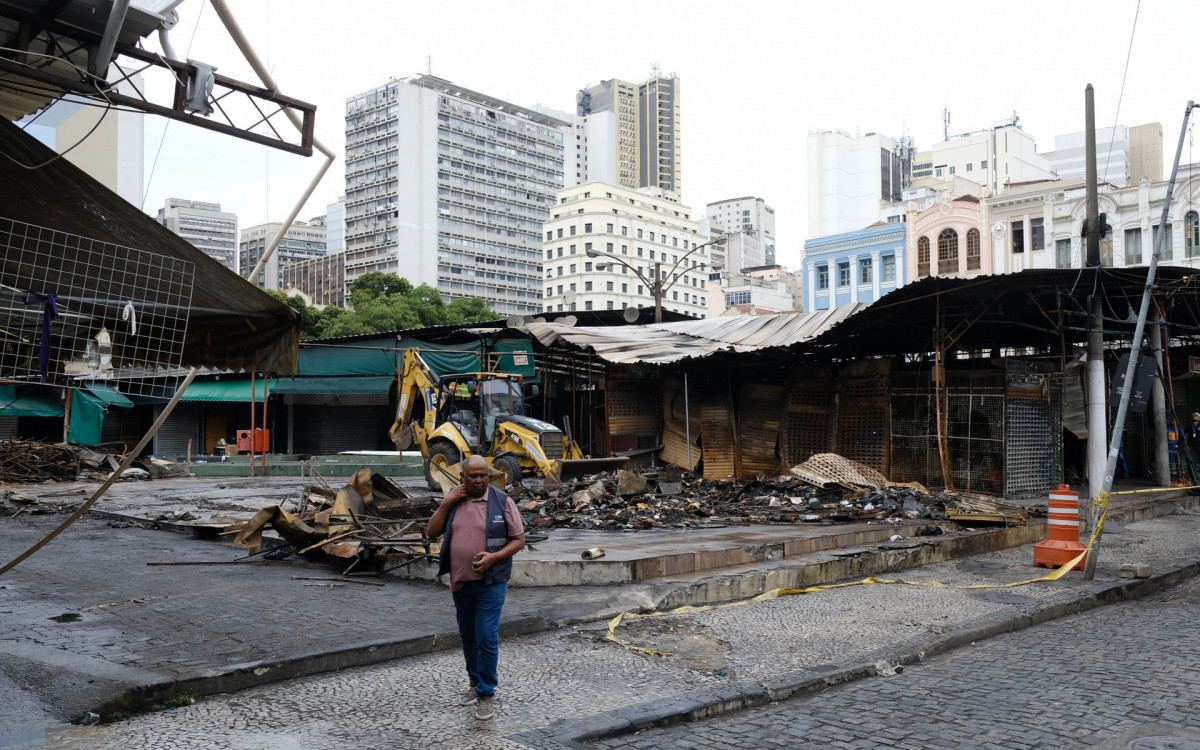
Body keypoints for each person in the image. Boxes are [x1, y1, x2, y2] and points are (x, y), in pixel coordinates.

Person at [425, 455, 525, 721]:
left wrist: (494, 557)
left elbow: (519, 540)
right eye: (474, 476)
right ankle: (473, 682)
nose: (479, 480)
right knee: (468, 636)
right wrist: (445, 503)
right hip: (460, 580)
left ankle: (486, 693)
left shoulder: (503, 501)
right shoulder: (454, 502)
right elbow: (431, 533)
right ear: (462, 478)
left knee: (486, 636)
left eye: (484, 476)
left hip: (492, 582)